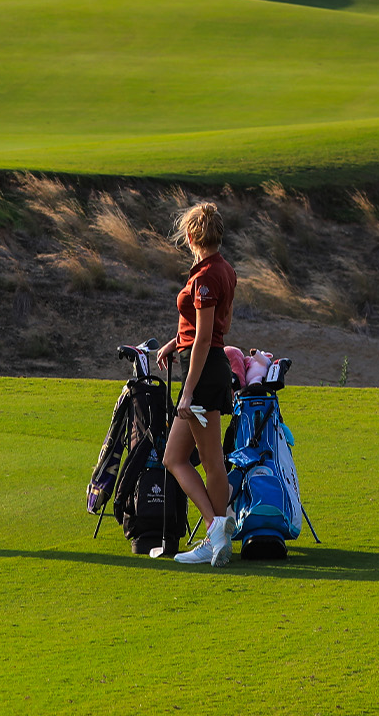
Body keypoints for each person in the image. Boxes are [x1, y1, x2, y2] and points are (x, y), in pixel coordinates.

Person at [155, 201, 238, 566]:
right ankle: (218, 532)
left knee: (206, 460)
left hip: (203, 372)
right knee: (179, 457)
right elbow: (218, 327)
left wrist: (187, 391)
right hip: (209, 366)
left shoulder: (204, 278)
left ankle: (215, 531)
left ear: (191, 236)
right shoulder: (225, 270)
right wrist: (177, 341)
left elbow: (206, 339)